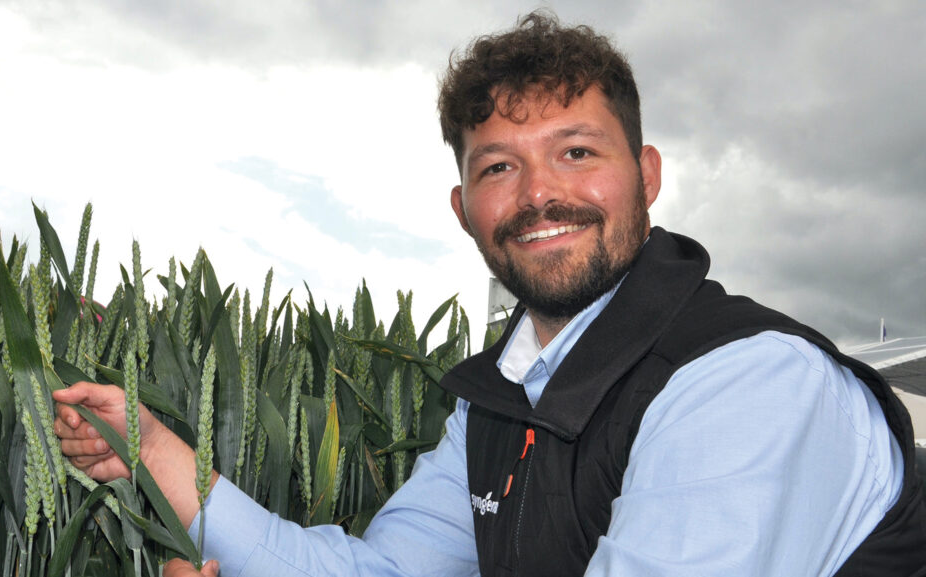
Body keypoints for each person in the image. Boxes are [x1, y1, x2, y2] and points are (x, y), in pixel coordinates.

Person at [54, 11, 926, 576]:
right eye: (500, 167)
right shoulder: (497, 404)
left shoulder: (745, 382)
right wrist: (163, 455)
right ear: (465, 209)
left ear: (647, 176)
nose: (540, 193)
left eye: (577, 151)